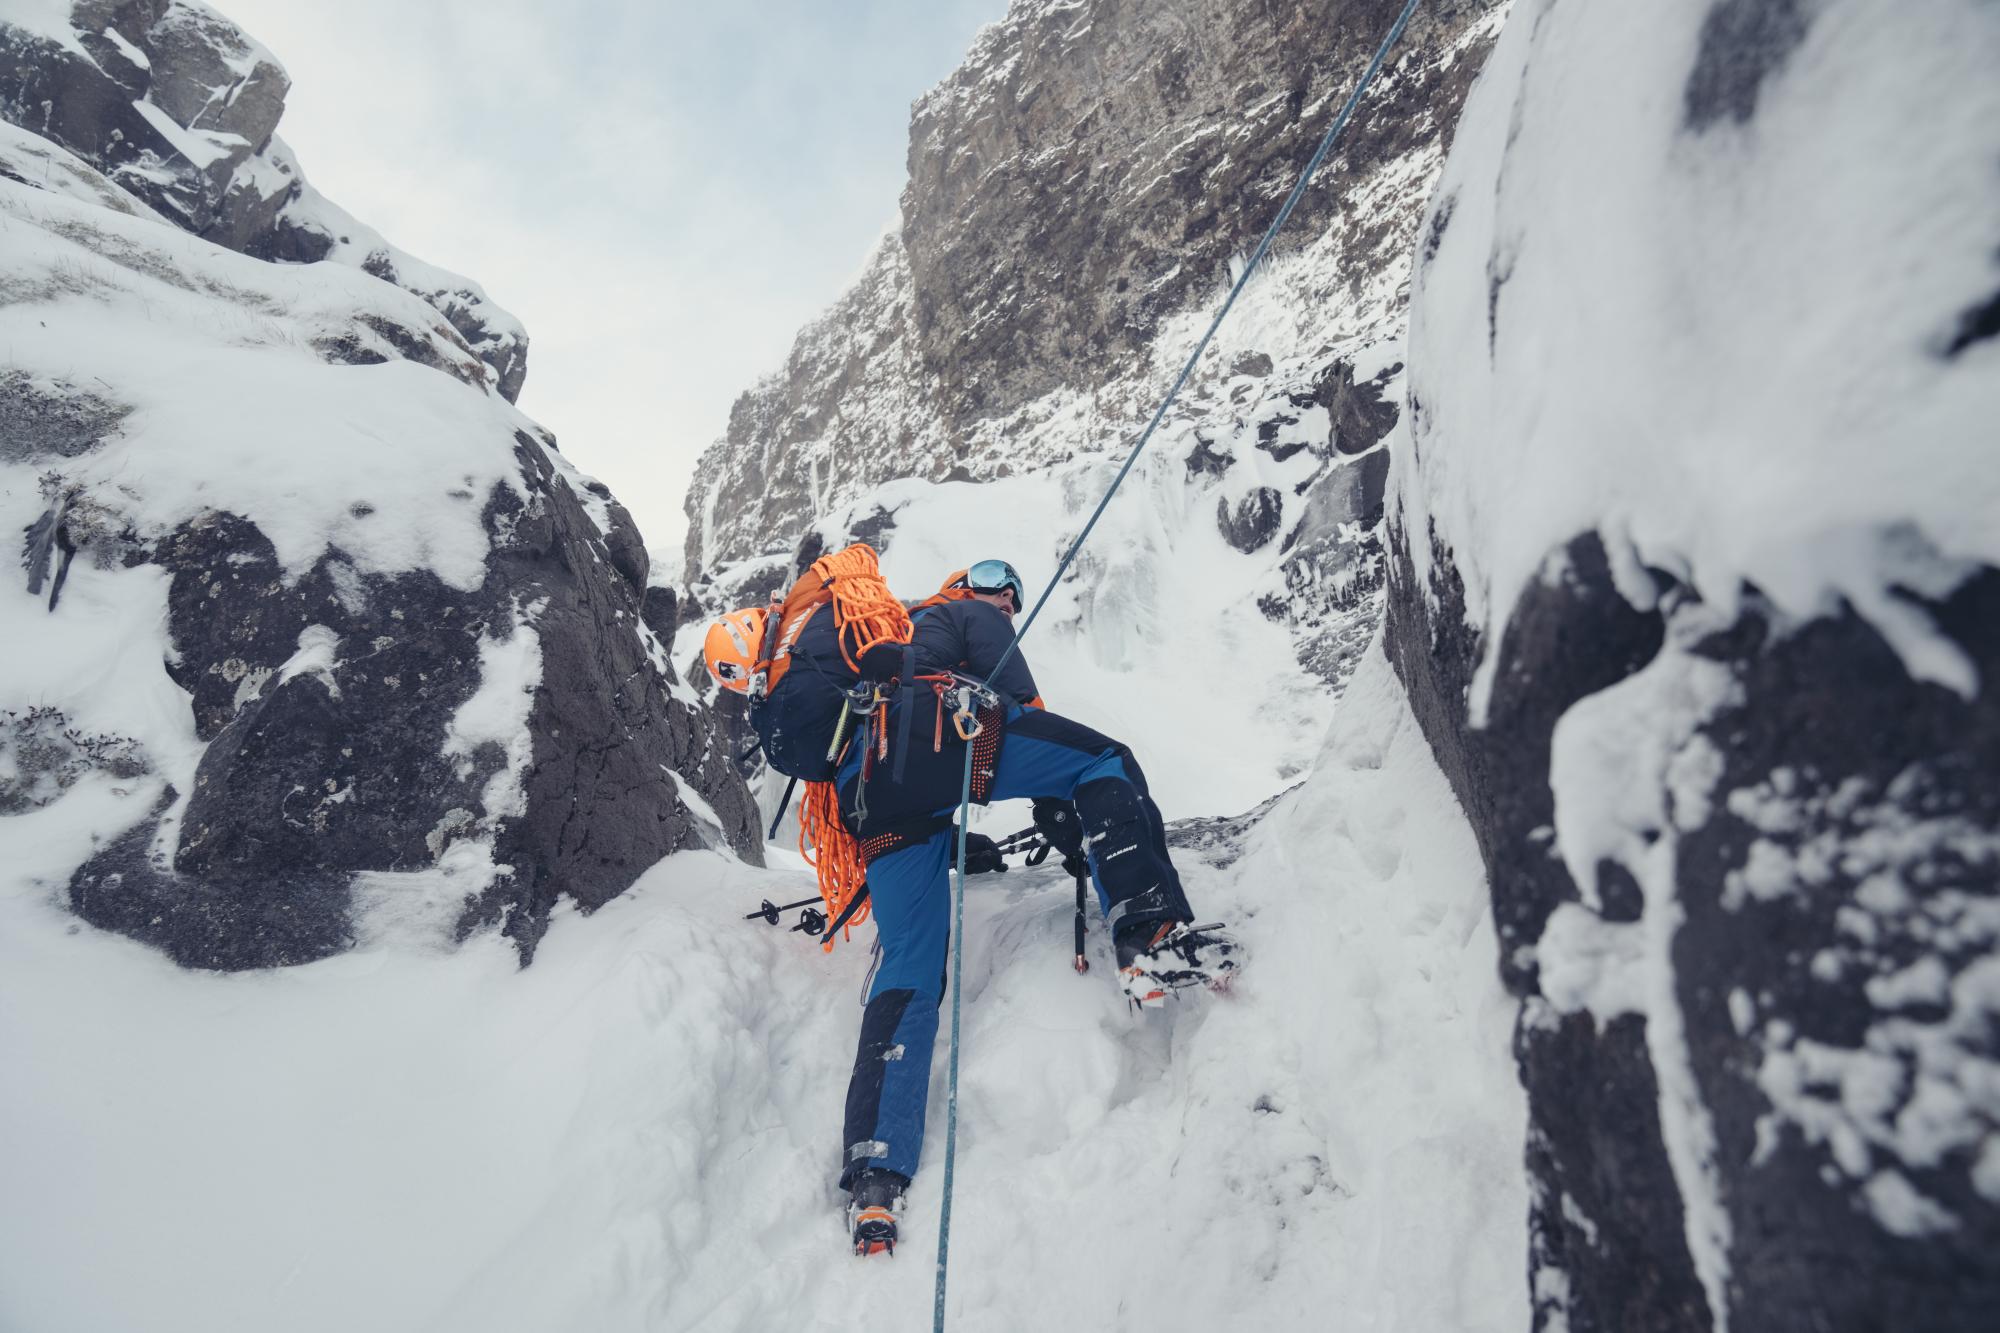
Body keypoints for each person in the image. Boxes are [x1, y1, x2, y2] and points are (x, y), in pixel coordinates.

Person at [835, 557, 1233, 1255]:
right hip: (947, 737)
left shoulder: (881, 667)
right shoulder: (964, 611)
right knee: (1104, 759)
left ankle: (876, 1175)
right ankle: (1149, 929)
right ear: (970, 585)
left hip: (870, 785)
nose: (1010, 601)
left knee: (910, 965)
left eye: (1013, 594)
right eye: (1002, 588)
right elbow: (1018, 701)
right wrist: (1061, 794)